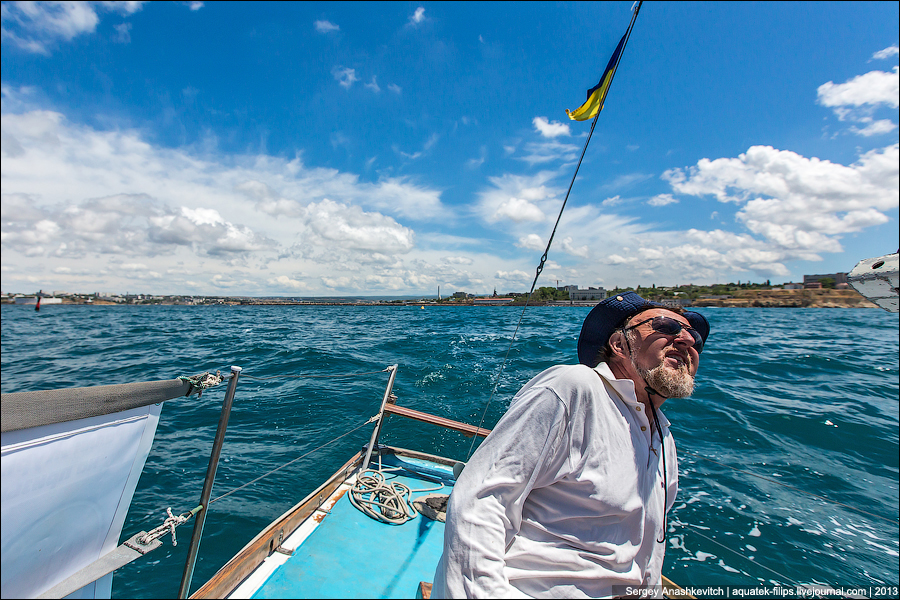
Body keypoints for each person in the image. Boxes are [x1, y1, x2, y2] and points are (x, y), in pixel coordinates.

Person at [432, 291, 710, 598]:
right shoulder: (576, 387)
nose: (686, 341)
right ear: (620, 345)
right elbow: (482, 502)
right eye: (666, 327)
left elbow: (646, 550)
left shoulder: (662, 437)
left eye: (694, 338)